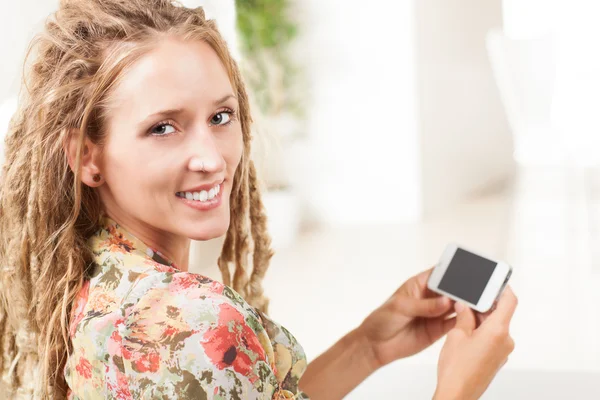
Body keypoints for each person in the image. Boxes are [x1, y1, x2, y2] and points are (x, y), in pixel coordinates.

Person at [0, 0, 518, 399]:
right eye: (163, 128)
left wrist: (369, 345)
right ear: (86, 155)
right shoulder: (195, 322)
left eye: (220, 117)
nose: (212, 157)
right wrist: (458, 387)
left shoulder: (89, 272)